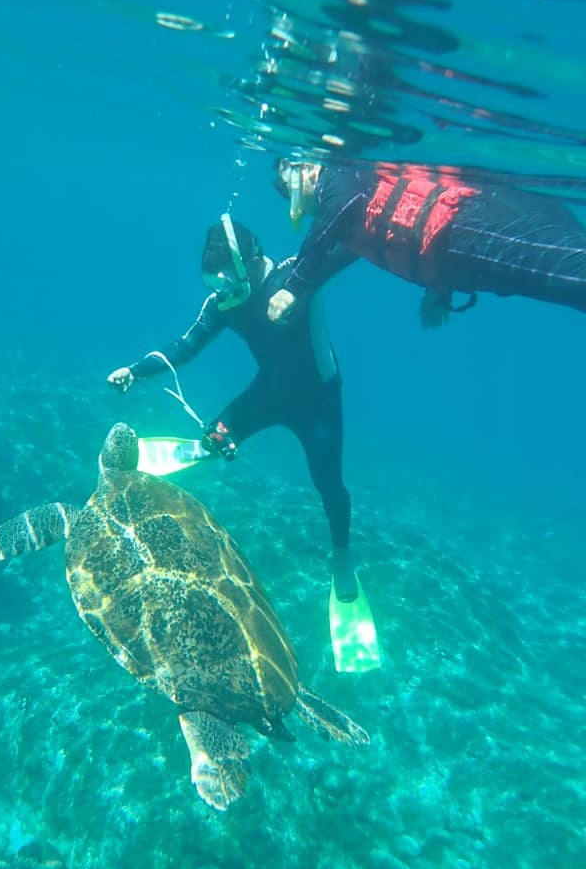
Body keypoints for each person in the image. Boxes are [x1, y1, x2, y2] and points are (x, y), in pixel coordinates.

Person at [107, 214, 357, 601]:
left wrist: (438, 287)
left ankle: (341, 557)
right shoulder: (222, 304)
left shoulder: (297, 275)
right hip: (269, 392)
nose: (221, 292)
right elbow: (185, 347)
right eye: (212, 284)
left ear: (245, 263)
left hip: (319, 402)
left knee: (328, 485)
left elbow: (352, 245)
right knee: (212, 440)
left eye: (223, 281)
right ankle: (210, 445)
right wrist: (135, 372)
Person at [267, 159, 586, 328]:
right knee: (558, 282)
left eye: (286, 190)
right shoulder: (348, 213)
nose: (290, 201)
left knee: (562, 272)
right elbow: (400, 231)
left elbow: (341, 207)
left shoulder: (337, 175)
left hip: (464, 227)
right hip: (460, 249)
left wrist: (293, 285)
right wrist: (437, 289)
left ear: (305, 172)